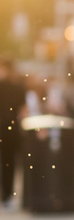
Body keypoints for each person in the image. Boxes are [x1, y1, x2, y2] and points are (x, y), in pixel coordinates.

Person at [0, 54, 26, 209]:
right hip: (11, 129)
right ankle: (7, 196)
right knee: (9, 163)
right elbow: (23, 111)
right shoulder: (18, 86)